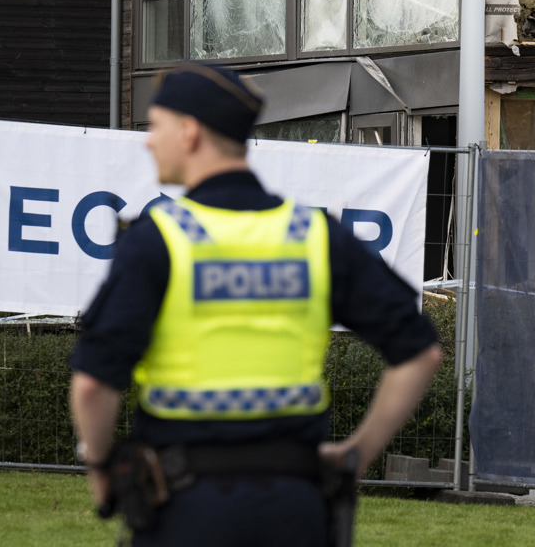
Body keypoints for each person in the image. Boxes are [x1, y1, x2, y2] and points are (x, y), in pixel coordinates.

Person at [69, 62, 442, 546]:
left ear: (189, 132)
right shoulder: (313, 236)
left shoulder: (156, 241)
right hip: (296, 512)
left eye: (155, 126)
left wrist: (100, 468)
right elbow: (420, 353)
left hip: (185, 512)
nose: (147, 141)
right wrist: (356, 454)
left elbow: (94, 386)